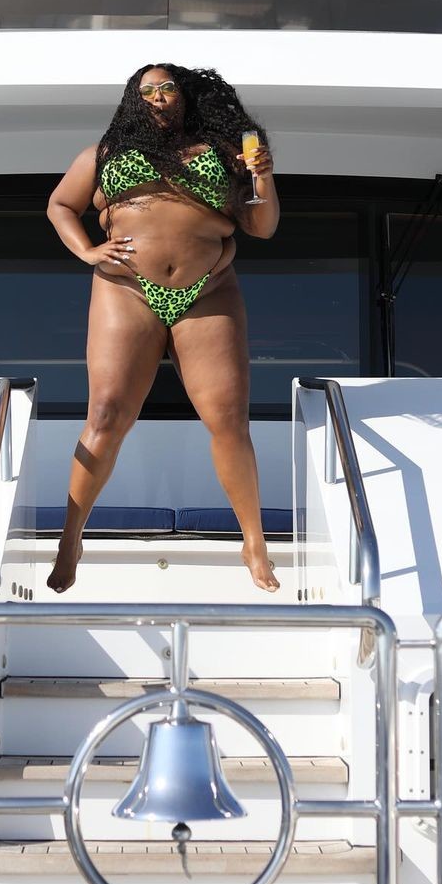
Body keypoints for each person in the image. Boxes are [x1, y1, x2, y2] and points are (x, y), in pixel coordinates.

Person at [45, 63, 281, 594]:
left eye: (167, 87)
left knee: (228, 421)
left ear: (185, 94)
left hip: (209, 291)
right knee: (106, 415)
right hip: (125, 289)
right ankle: (70, 540)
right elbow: (60, 205)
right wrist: (87, 250)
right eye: (146, 90)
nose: (157, 96)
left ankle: (254, 544)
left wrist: (262, 177)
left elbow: (261, 226)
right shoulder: (104, 154)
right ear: (134, 100)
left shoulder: (225, 153)